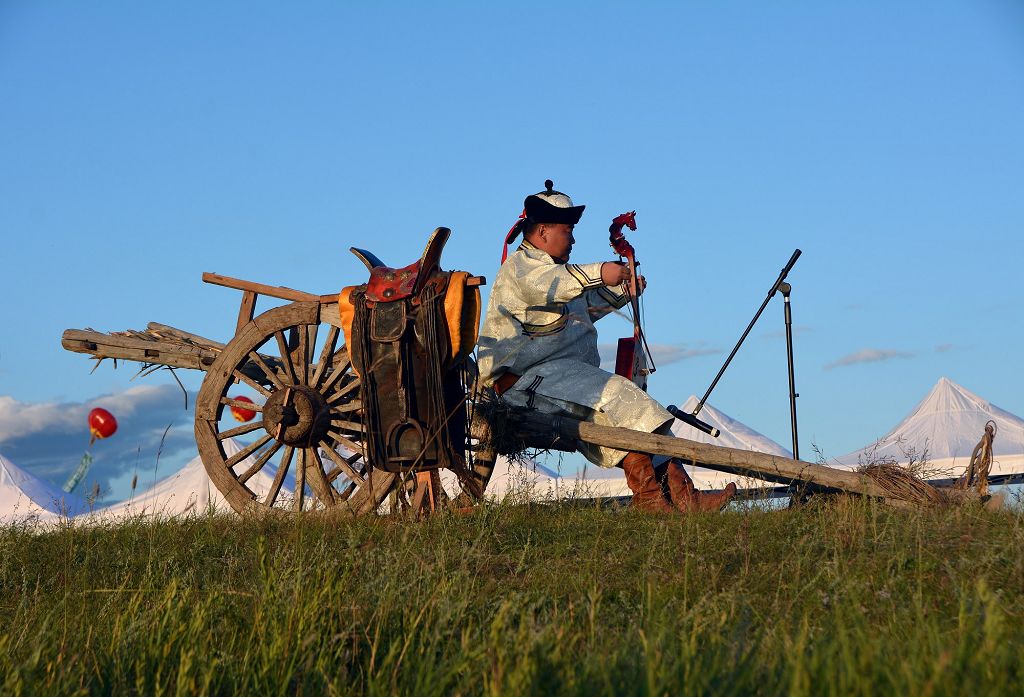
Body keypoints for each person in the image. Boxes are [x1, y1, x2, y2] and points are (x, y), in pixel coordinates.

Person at [477, 180, 737, 512]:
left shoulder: (555, 274)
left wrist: (623, 290)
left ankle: (681, 497)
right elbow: (557, 285)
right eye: (567, 230)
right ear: (542, 232)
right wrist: (602, 271)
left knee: (625, 406)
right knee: (618, 395)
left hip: (558, 377)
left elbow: (581, 306)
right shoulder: (522, 269)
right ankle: (652, 499)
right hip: (523, 382)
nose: (572, 238)